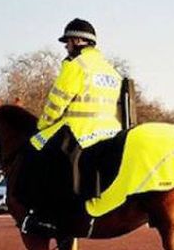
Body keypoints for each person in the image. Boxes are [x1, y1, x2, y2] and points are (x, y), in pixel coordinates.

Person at [30, 18, 123, 153]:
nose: (66, 46)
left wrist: (41, 126)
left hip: (80, 134)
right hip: (112, 132)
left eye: (68, 41)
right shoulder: (112, 70)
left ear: (77, 40)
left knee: (34, 147)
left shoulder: (76, 65)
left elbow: (56, 104)